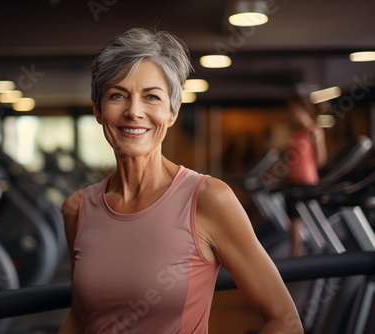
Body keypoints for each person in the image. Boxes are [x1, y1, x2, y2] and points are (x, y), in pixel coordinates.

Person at [58, 27, 302, 334]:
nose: (134, 111)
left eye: (152, 97)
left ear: (172, 112)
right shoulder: (77, 209)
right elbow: (80, 320)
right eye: (118, 95)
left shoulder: (208, 198)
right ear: (98, 109)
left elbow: (286, 321)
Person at [285, 97, 327, 257]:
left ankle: (295, 256)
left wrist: (316, 141)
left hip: (307, 182)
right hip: (292, 181)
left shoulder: (314, 131)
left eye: (295, 111)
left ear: (304, 110)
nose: (292, 114)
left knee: (298, 221)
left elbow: (321, 159)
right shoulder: (295, 132)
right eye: (291, 111)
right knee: (293, 222)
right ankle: (294, 255)